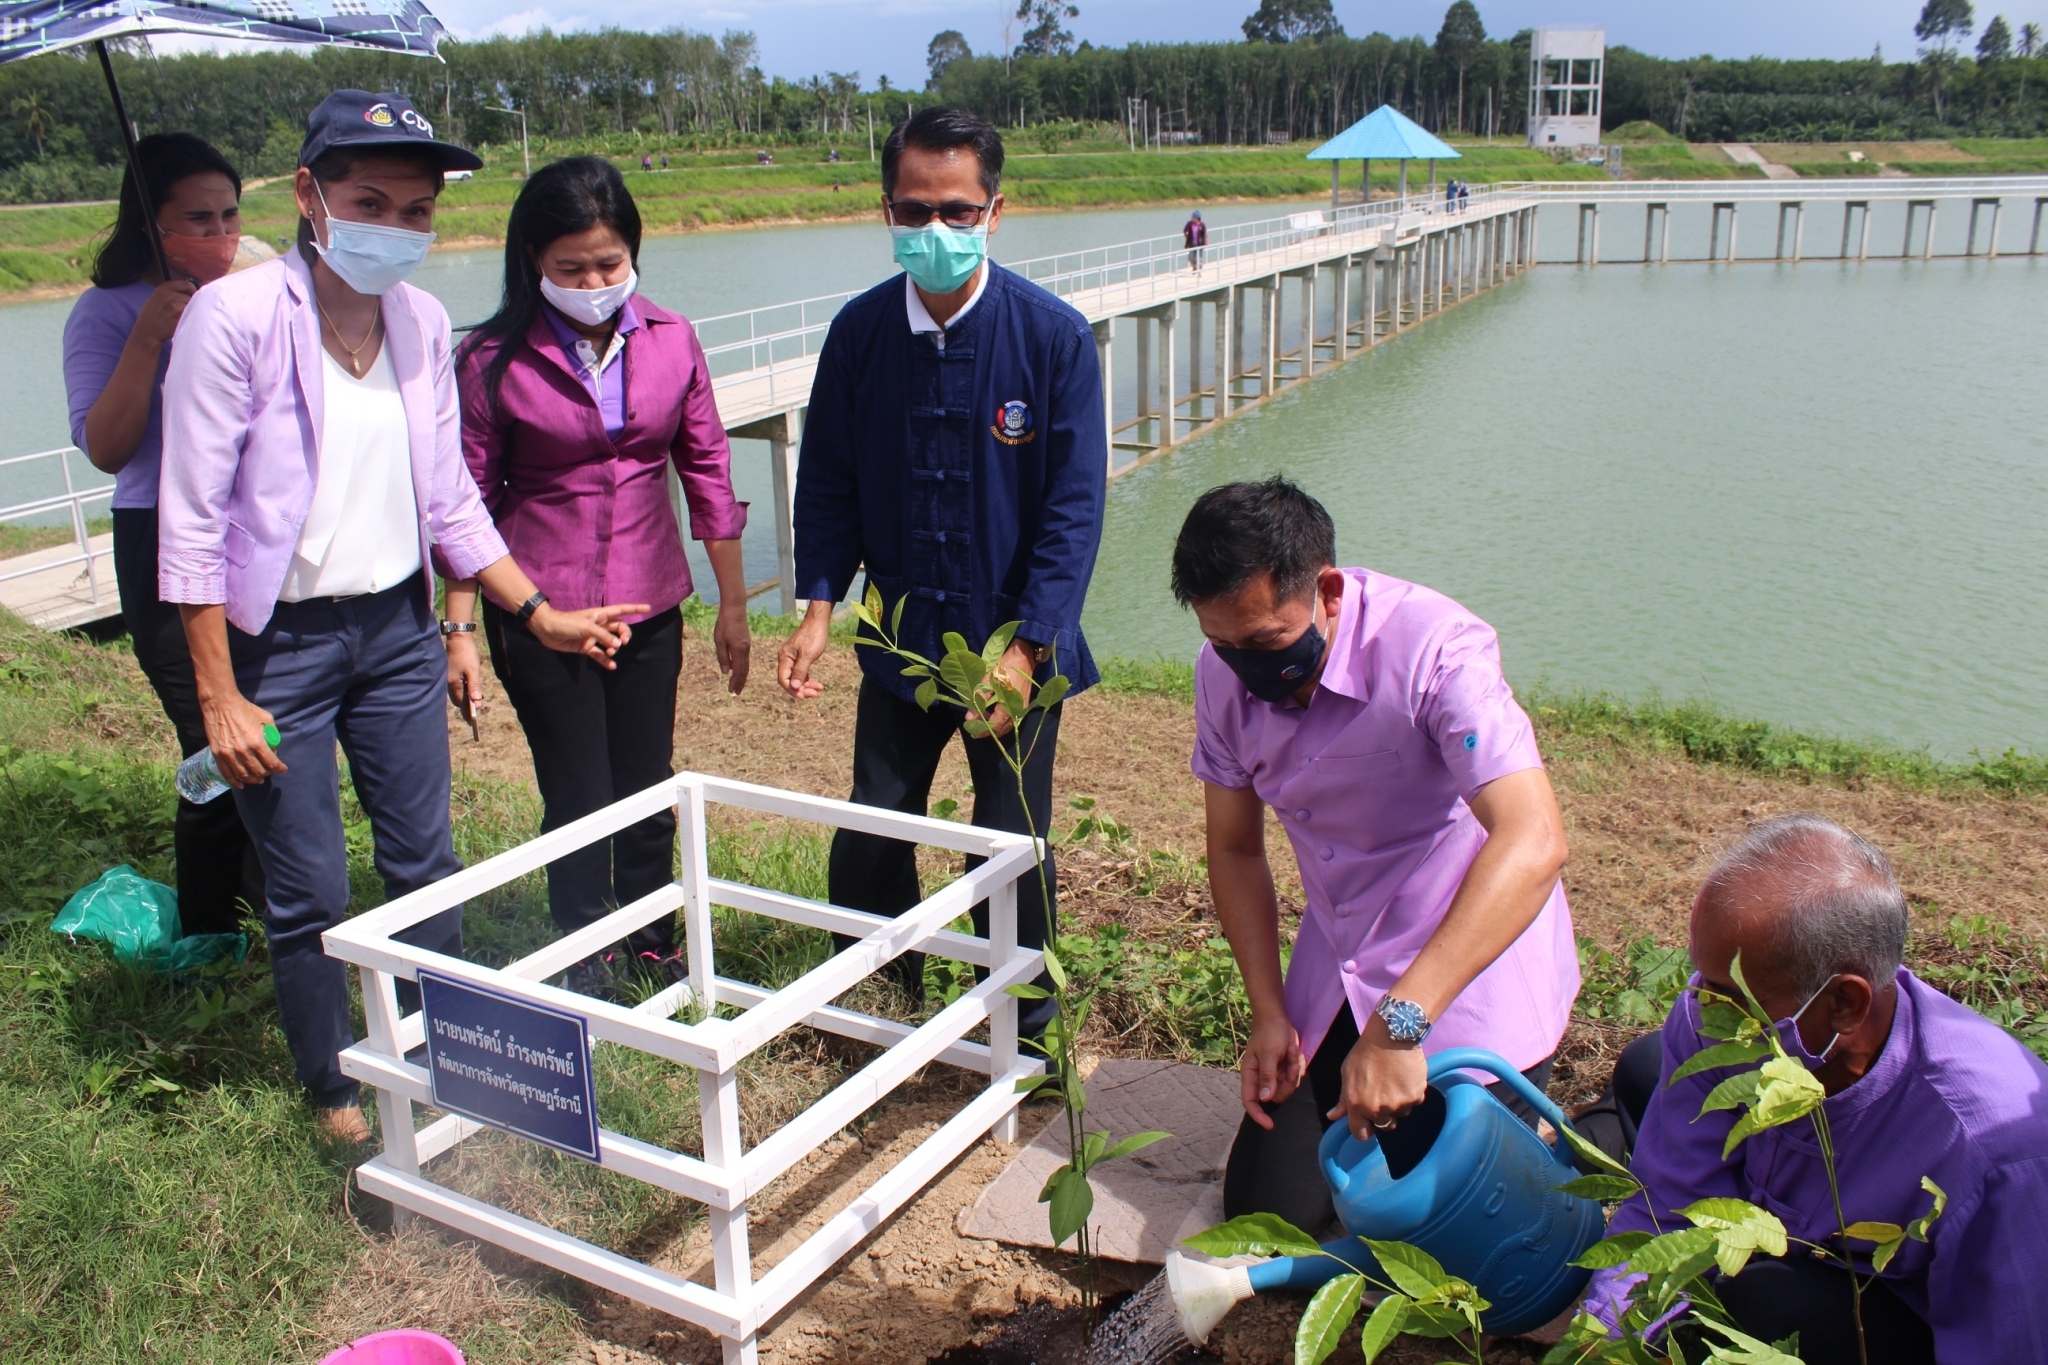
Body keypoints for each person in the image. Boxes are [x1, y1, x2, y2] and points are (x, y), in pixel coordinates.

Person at [158, 91, 638, 1142]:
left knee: (425, 860)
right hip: (276, 644)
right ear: (309, 193)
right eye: (370, 202)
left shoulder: (420, 323)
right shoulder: (233, 318)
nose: (396, 226)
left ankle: (443, 1053)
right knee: (310, 883)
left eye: (416, 210)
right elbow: (190, 520)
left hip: (394, 633)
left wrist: (537, 612)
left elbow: (450, 500)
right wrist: (218, 695)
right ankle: (334, 1085)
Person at [1172, 478, 1577, 1237]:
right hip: (1346, 957)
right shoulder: (1220, 672)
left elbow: (1534, 839)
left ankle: (1583, 1125)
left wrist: (1398, 1028)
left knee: (1453, 1226)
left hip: (1467, 965)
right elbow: (1233, 847)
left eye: (1265, 642)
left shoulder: (1434, 649)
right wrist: (1270, 1013)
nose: (1245, 668)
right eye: (1224, 643)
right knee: (1267, 1215)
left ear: (1327, 591)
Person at [776, 107, 1106, 1036]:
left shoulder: (1052, 338)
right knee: (877, 821)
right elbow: (828, 480)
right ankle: (877, 1008)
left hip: (1014, 641)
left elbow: (1074, 510)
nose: (936, 230)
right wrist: (818, 607)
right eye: (915, 210)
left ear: (995, 211)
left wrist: (1028, 649)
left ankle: (1024, 1029)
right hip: (903, 638)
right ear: (886, 209)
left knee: (1009, 839)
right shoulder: (859, 335)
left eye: (957, 212)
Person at [1581, 814, 2048, 1365]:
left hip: (1908, 1313)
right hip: (1787, 1240)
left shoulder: (1994, 1149)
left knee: (1769, 1304)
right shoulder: (1710, 1009)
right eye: (1701, 981)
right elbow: (1670, 1205)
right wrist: (1604, 1337)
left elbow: (2005, 1343)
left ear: (1844, 1004)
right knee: (1648, 1063)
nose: (1702, 1010)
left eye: (1729, 994)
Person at [446, 156, 751, 996]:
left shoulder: (672, 339)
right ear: (533, 261)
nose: (593, 284)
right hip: (538, 607)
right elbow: (465, 501)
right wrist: (461, 627)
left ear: (634, 254)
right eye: (571, 267)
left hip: (650, 602)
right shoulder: (489, 359)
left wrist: (731, 604)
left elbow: (708, 474)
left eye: (609, 264)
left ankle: (652, 941)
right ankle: (585, 947)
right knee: (578, 791)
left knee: (647, 780)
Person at [63, 132, 263, 938]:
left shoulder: (249, 295)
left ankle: (272, 900)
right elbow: (107, 446)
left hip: (248, 530)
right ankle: (214, 925)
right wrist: (149, 337)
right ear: (152, 224)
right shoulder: (108, 311)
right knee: (212, 737)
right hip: (159, 533)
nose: (220, 234)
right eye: (197, 219)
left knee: (270, 717)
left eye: (229, 216)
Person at [1183, 208, 1207, 273]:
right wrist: (1187, 238)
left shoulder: (1202, 225)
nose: (1192, 218)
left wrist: (1205, 242)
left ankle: (1199, 269)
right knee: (1190, 257)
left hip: (1200, 244)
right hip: (1192, 244)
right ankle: (1195, 267)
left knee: (1199, 257)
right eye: (1192, 217)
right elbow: (1185, 231)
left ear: (1197, 218)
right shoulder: (1190, 224)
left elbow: (1204, 234)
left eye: (1193, 217)